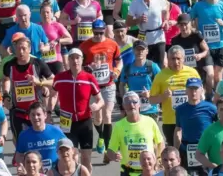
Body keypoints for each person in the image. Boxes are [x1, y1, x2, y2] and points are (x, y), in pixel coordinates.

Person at [52, 48, 104, 173]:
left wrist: (97, 106)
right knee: (72, 157)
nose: (75, 61)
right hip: (67, 122)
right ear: (68, 60)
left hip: (84, 121)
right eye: (72, 58)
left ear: (82, 60)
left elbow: (100, 100)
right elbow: (53, 95)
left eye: (78, 58)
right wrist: (49, 111)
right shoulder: (60, 78)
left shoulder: (89, 78)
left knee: (86, 158)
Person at [79, 19, 121, 157]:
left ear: (104, 31)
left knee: (107, 115)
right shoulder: (85, 46)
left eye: (100, 33)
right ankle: (101, 136)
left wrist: (116, 72)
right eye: (95, 33)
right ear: (92, 31)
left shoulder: (112, 44)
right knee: (97, 117)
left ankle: (108, 146)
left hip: (108, 85)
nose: (98, 36)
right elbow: (79, 66)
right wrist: (89, 67)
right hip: (93, 87)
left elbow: (119, 61)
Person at [1, 35, 54, 138]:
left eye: (23, 49)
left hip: (36, 111)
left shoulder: (38, 64)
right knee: (19, 141)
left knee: (39, 138)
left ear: (29, 49)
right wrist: (6, 95)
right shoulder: (9, 65)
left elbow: (54, 80)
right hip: (17, 111)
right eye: (18, 49)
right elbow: (6, 79)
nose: (21, 52)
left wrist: (40, 83)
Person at [149, 45, 200, 147]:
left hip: (190, 117)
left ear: (183, 59)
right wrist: (163, 96)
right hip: (171, 121)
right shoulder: (161, 75)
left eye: (178, 58)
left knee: (191, 149)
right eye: (173, 59)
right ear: (167, 59)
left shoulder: (192, 72)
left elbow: (201, 94)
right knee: (174, 152)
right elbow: (151, 100)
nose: (176, 62)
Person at [106, 90, 164, 172]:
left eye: (134, 101)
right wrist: (114, 156)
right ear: (123, 106)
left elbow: (160, 142)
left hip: (148, 170)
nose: (131, 104)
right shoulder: (119, 126)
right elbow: (110, 151)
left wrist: (159, 160)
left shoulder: (150, 121)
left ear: (139, 104)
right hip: (128, 171)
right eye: (128, 102)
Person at [173, 77, 215, 175]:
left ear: (201, 90)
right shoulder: (180, 109)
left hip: (205, 149)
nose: (193, 92)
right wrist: (176, 151)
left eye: (196, 89)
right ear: (186, 91)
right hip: (186, 149)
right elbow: (178, 130)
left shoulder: (211, 108)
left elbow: (219, 127)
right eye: (190, 89)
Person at [13, 102, 66, 173]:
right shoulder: (24, 135)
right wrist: (21, 166)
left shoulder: (56, 131)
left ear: (45, 115)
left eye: (38, 114)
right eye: (33, 115)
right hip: (34, 172)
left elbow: (68, 148)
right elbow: (19, 155)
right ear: (29, 117)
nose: (36, 117)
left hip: (56, 171)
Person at [127, 0, 169, 65]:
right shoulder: (135, 3)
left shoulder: (159, 0)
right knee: (147, 64)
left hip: (159, 36)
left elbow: (166, 11)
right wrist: (138, 20)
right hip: (144, 37)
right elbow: (128, 22)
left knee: (160, 65)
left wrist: (165, 21)